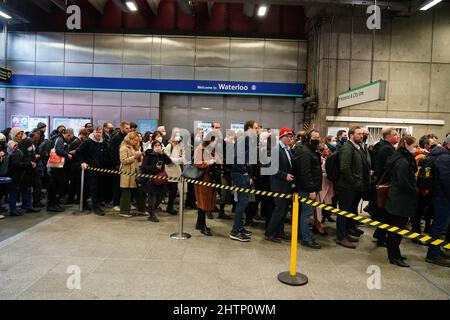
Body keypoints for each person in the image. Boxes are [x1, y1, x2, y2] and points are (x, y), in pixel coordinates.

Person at [384, 135, 418, 267]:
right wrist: (415, 190)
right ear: (406, 145)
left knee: (397, 229)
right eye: (414, 146)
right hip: (400, 200)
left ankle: (394, 254)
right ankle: (394, 256)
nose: (416, 149)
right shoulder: (402, 162)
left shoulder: (401, 158)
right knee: (396, 230)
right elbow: (404, 182)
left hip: (398, 198)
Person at [336, 126, 371, 249]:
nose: (361, 136)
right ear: (351, 135)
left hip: (356, 186)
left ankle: (346, 233)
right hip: (348, 186)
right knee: (343, 212)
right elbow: (345, 168)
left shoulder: (358, 147)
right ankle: (341, 237)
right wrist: (353, 182)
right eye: (358, 134)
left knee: (350, 211)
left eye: (362, 134)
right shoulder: (347, 147)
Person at [230, 121, 259, 242]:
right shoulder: (244, 139)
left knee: (244, 202)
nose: (258, 130)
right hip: (240, 173)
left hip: (242, 172)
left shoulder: (249, 139)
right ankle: (235, 231)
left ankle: (239, 227)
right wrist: (244, 170)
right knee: (242, 202)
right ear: (249, 128)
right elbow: (237, 157)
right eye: (256, 128)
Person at [293, 129, 323, 249]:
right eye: (315, 138)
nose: (318, 140)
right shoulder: (306, 152)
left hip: (310, 187)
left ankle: (303, 234)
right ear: (308, 138)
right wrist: (311, 189)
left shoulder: (311, 150)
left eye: (318, 137)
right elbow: (305, 173)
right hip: (307, 189)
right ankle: (306, 238)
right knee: (307, 213)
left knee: (305, 213)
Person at [265, 128, 295, 243]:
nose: (291, 138)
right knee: (279, 210)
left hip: (286, 185)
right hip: (279, 185)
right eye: (288, 136)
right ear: (282, 137)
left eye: (291, 136)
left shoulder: (287, 149)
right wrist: (284, 176)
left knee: (283, 211)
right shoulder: (276, 149)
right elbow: (271, 168)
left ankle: (280, 232)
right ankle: (270, 233)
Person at [371, 128, 399, 247]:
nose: (397, 136)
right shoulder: (388, 149)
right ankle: (381, 236)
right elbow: (389, 168)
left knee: (383, 212)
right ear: (388, 136)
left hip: (380, 181)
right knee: (385, 212)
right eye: (395, 134)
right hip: (385, 183)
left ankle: (379, 234)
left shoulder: (380, 145)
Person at [425, 135, 450, 267]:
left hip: (443, 197)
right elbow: (446, 180)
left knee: (441, 225)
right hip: (443, 197)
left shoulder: (445, 156)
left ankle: (436, 250)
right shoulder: (445, 158)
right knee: (439, 226)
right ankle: (432, 255)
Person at [193, 133, 221, 236]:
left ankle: (199, 223)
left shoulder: (211, 150)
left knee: (204, 202)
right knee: (203, 202)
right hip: (202, 179)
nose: (215, 143)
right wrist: (209, 162)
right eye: (214, 141)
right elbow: (197, 163)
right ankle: (202, 225)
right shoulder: (200, 148)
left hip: (209, 179)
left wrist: (215, 159)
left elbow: (218, 160)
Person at [78, 126, 108, 216]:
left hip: (100, 169)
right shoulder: (88, 142)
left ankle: (90, 204)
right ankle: (95, 207)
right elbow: (78, 152)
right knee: (93, 188)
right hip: (90, 169)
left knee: (98, 187)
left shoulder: (103, 142)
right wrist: (82, 162)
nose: (99, 134)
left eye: (100, 133)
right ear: (93, 132)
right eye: (97, 132)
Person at [141, 140, 172, 222]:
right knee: (152, 196)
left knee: (161, 196)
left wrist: (163, 154)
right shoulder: (148, 155)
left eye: (159, 145)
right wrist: (155, 168)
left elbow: (169, 162)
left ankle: (152, 209)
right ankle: (152, 214)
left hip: (161, 179)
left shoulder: (161, 155)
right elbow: (144, 167)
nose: (158, 147)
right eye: (156, 145)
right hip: (150, 179)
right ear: (152, 147)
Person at [8, 138, 40, 216]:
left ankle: (28, 206)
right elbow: (16, 164)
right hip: (15, 177)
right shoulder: (17, 153)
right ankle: (13, 210)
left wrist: (31, 163)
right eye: (30, 145)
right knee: (14, 193)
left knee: (26, 190)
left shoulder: (24, 152)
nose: (31, 146)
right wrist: (29, 164)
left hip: (23, 176)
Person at [119, 132, 146, 218]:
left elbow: (138, 161)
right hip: (127, 173)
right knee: (126, 193)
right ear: (129, 139)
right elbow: (123, 161)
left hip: (136, 173)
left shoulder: (136, 147)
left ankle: (141, 210)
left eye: (137, 140)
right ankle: (124, 211)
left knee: (139, 192)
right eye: (135, 140)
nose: (136, 142)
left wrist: (140, 157)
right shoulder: (123, 148)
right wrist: (135, 156)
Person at [47, 128, 74, 212]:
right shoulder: (60, 140)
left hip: (57, 166)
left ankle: (54, 204)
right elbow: (58, 151)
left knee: (56, 185)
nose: (70, 139)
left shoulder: (59, 139)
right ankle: (53, 204)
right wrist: (67, 155)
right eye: (71, 137)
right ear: (68, 134)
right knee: (61, 185)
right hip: (57, 167)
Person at [164, 129, 186, 215]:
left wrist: (178, 160)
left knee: (174, 190)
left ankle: (170, 207)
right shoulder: (169, 146)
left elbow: (183, 158)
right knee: (167, 189)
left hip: (177, 171)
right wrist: (177, 160)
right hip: (169, 170)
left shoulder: (181, 146)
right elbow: (166, 158)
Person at [110, 122, 131, 210]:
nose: (128, 130)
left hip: (127, 165)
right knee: (117, 185)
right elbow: (113, 152)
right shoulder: (116, 138)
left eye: (129, 128)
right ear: (122, 128)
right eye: (126, 128)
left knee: (126, 185)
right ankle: (116, 204)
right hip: (118, 165)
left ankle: (125, 203)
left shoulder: (128, 138)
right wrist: (116, 164)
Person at [315, 143, 334, 234]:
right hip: (321, 185)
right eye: (326, 149)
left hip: (327, 184)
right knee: (318, 205)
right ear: (321, 151)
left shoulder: (326, 159)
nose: (328, 150)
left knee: (324, 205)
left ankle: (319, 223)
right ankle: (317, 224)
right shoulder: (320, 160)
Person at [66, 129, 89, 205]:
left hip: (75, 165)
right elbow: (73, 153)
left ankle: (72, 199)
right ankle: (76, 199)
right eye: (85, 137)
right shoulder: (77, 142)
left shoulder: (78, 141)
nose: (85, 139)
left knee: (75, 183)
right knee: (77, 183)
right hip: (76, 165)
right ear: (82, 135)